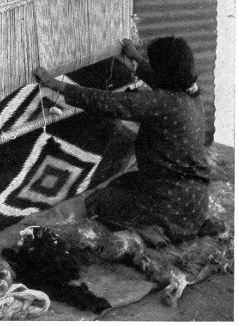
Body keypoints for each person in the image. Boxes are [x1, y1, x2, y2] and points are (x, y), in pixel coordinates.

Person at [34, 36, 212, 244]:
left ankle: (158, 231)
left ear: (162, 71)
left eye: (153, 65)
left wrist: (54, 84)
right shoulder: (191, 94)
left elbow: (107, 101)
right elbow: (160, 80)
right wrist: (135, 57)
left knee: (99, 202)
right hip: (195, 202)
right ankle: (176, 226)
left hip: (171, 202)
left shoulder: (160, 103)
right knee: (124, 183)